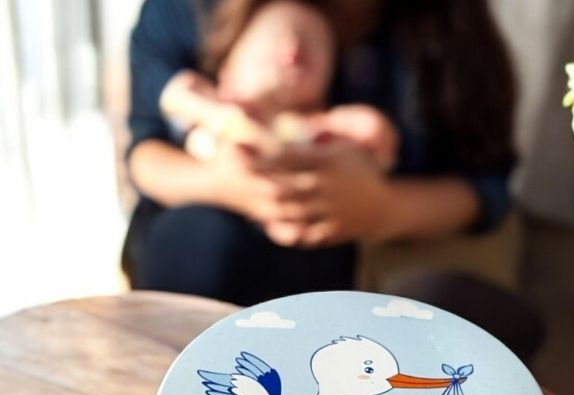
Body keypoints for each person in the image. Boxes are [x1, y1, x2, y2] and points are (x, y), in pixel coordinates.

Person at [124, 0, 516, 307]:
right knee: (203, 240)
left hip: (338, 250)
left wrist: (381, 208)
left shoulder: (451, 37)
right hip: (197, 235)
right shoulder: (189, 13)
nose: (293, 54)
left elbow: (488, 188)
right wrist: (223, 181)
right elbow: (145, 149)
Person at [158, 1, 398, 170]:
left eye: (313, 49)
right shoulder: (217, 108)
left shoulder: (318, 126)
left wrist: (357, 126)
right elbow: (177, 95)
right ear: (227, 67)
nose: (294, 48)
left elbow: (377, 139)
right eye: (280, 37)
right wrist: (222, 116)